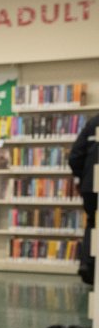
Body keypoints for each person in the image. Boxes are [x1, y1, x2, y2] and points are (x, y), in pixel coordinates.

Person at [68, 113, 98, 284]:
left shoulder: (92, 123)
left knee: (93, 222)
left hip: (90, 185)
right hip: (91, 183)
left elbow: (74, 157)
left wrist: (83, 176)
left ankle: (88, 265)